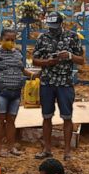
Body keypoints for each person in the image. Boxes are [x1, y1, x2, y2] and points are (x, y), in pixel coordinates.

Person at [32, 12, 84, 160]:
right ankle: (47, 149)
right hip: (47, 81)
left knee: (67, 117)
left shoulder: (72, 36)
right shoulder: (42, 38)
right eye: (50, 26)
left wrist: (69, 56)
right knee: (46, 116)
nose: (52, 29)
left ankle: (67, 152)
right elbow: (35, 60)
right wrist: (47, 62)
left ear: (62, 23)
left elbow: (81, 59)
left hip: (64, 82)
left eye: (55, 26)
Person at [0, 26, 33, 157]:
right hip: (1, 92)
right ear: (1, 39)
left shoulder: (17, 53)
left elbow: (22, 69)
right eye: (7, 39)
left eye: (13, 40)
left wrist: (34, 75)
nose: (10, 42)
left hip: (16, 92)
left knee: (11, 119)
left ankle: (11, 147)